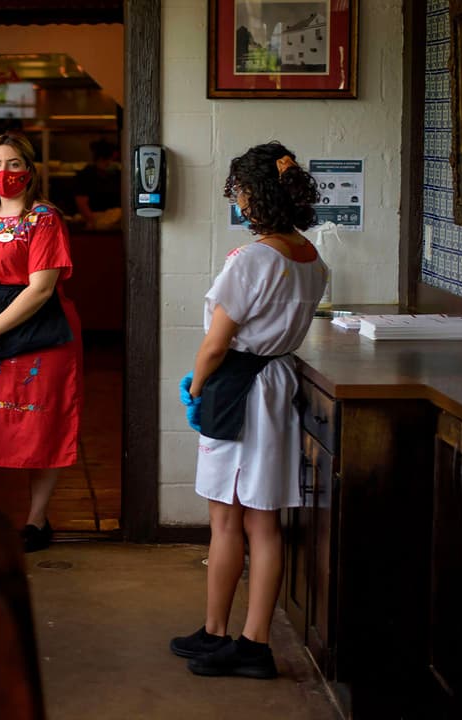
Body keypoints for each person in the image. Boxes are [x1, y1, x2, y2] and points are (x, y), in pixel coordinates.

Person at [170, 142, 327, 679]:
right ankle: (222, 634)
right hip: (276, 383)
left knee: (227, 517)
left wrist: (197, 387)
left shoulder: (253, 258)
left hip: (240, 386)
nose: (236, 199)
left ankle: (244, 642)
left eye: (239, 189)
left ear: (256, 193)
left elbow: (217, 343)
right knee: (262, 521)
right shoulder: (310, 257)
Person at [0, 133, 82, 553]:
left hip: (38, 338)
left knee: (39, 427)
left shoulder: (44, 219)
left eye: (11, 164)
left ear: (29, 170)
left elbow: (42, 288)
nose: (2, 173)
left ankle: (36, 521)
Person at [73, 138, 123, 230]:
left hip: (115, 221)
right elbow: (81, 203)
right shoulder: (86, 175)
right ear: (101, 159)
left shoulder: (116, 174)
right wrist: (92, 222)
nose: (112, 163)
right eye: (110, 160)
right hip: (94, 220)